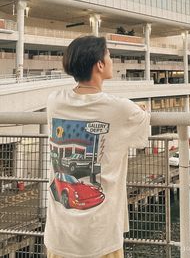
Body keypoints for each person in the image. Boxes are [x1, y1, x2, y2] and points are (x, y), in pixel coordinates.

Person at [44, 35, 150, 258]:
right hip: (100, 237)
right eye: (109, 55)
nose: (112, 60)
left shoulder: (54, 100)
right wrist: (139, 108)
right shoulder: (120, 108)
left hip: (58, 236)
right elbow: (141, 135)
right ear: (99, 65)